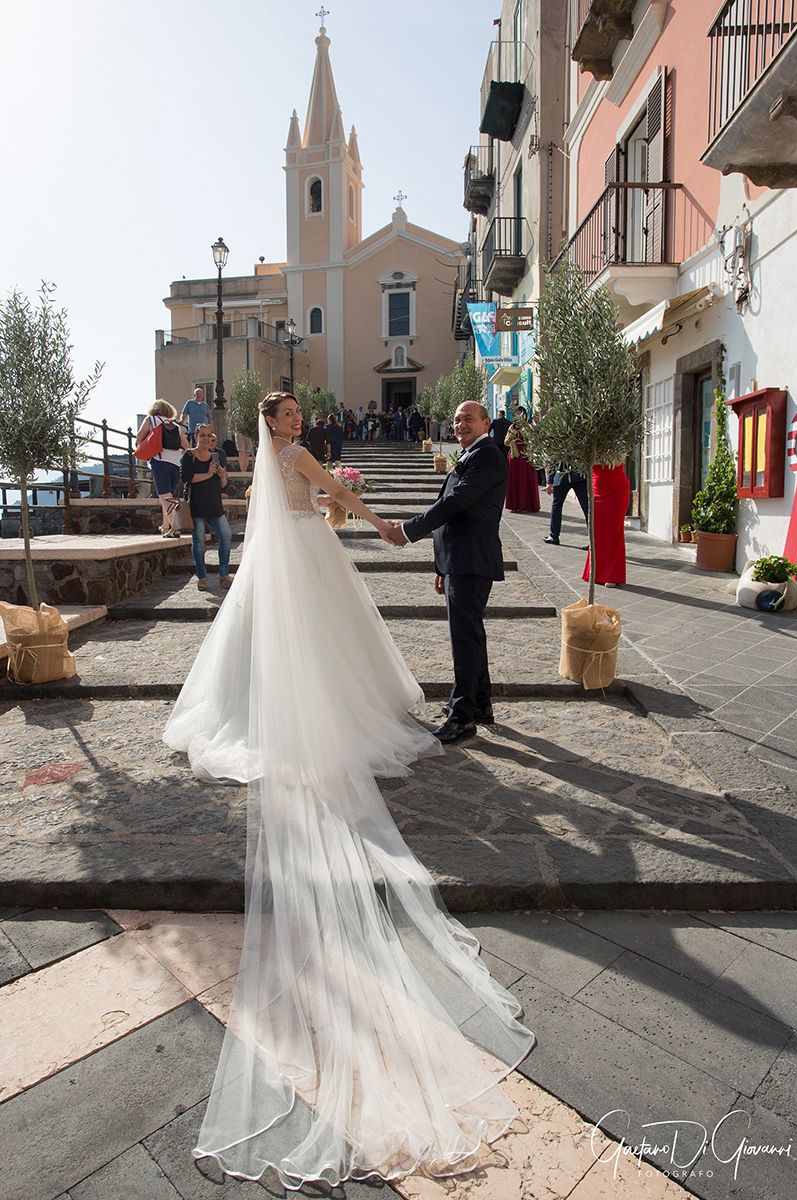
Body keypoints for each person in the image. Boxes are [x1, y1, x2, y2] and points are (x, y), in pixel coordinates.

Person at [162, 391, 533, 1190]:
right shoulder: (293, 457)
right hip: (311, 555)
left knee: (300, 650)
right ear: (275, 425)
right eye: (289, 412)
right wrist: (374, 518)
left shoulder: (282, 460)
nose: (298, 419)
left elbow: (318, 490)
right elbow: (337, 494)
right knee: (332, 650)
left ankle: (291, 710)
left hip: (289, 557)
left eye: (298, 412)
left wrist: (372, 510)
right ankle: (366, 712)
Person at [385, 402, 508, 744]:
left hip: (471, 560)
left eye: (469, 418)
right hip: (458, 560)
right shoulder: (470, 454)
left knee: (464, 639)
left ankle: (462, 716)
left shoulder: (488, 456)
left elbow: (456, 503)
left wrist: (408, 530)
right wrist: (441, 566)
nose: (460, 424)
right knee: (471, 635)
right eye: (456, 420)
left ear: (486, 422)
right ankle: (480, 704)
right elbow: (452, 507)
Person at [181, 424, 232, 591]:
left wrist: (222, 476)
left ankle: (224, 575)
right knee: (199, 543)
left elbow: (223, 485)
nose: (206, 438)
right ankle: (201, 577)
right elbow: (187, 478)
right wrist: (209, 474)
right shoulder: (189, 456)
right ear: (196, 436)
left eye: (209, 435)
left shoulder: (216, 457)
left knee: (226, 536)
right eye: (202, 435)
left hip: (215, 505)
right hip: (196, 506)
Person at [136, 400, 190, 536]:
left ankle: (175, 528)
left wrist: (143, 446)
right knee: (168, 496)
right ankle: (165, 526)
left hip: (160, 461)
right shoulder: (175, 425)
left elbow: (139, 436)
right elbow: (186, 445)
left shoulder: (151, 420)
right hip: (177, 463)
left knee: (165, 497)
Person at [582, 462, 630, 587]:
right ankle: (595, 572)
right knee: (597, 531)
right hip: (597, 490)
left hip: (617, 490)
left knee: (614, 531)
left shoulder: (618, 443)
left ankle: (612, 575)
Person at [543, 462, 589, 546]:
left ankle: (554, 536)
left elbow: (553, 460)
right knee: (587, 508)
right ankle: (593, 540)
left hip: (562, 476)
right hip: (579, 476)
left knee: (557, 505)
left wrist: (550, 482)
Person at [504, 408, 540, 514]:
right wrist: (512, 435)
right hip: (514, 457)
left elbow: (532, 438)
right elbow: (506, 442)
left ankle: (526, 505)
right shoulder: (511, 427)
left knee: (525, 481)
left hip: (525, 457)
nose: (519, 415)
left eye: (521, 413)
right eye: (517, 413)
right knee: (514, 481)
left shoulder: (528, 426)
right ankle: (515, 505)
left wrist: (523, 432)